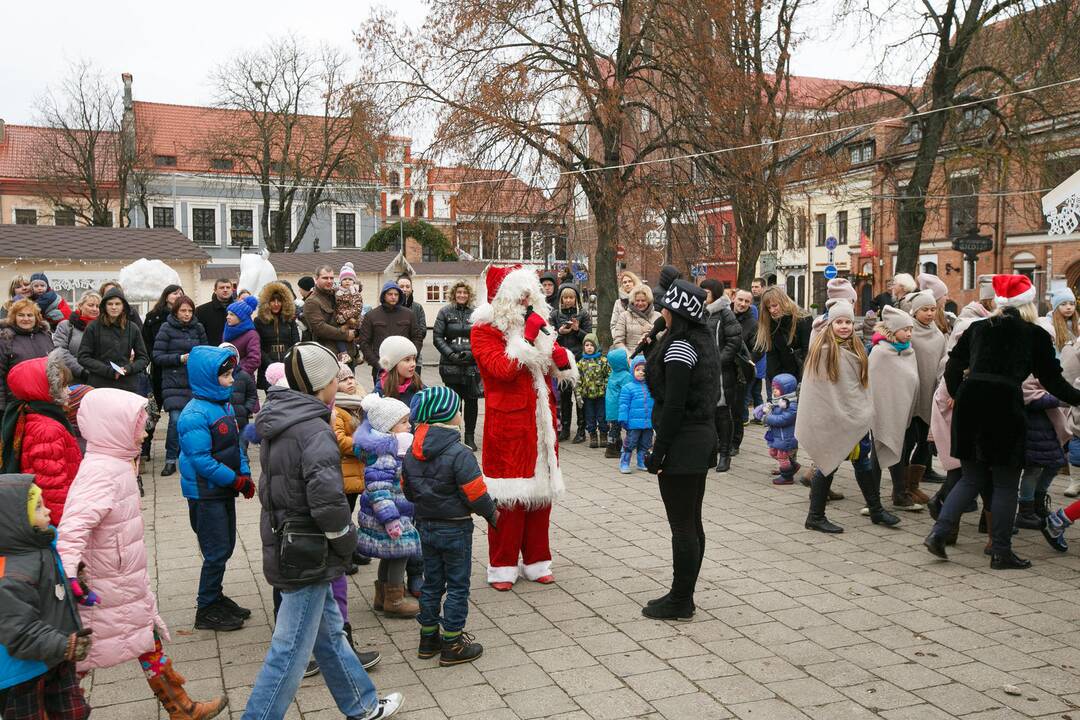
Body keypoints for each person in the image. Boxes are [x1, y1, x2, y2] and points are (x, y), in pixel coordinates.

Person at [245, 341, 403, 720]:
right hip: (307, 548)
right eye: (335, 377)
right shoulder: (314, 430)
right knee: (290, 649)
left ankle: (361, 704)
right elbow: (327, 500)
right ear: (320, 384)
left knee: (330, 633)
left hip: (289, 538)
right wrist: (345, 539)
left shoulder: (283, 417)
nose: (339, 384)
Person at [57, 388, 227, 720]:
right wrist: (69, 571)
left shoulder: (119, 461)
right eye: (138, 423)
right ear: (113, 425)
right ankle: (59, 711)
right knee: (80, 658)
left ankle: (181, 707)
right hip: (101, 586)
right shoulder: (100, 471)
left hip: (125, 577)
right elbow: (73, 527)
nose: (146, 430)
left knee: (147, 639)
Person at [924, 274, 1080, 569]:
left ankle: (939, 533)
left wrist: (960, 393)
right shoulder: (1034, 334)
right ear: (1028, 303)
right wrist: (1078, 398)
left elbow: (953, 366)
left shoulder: (978, 328)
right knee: (1006, 483)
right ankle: (1001, 552)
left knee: (971, 477)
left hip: (971, 404)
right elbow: (1052, 380)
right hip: (1005, 405)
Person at [470, 266, 575, 590]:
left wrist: (549, 341)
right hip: (509, 425)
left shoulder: (538, 325)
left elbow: (564, 368)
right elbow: (501, 369)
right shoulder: (484, 331)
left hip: (541, 425)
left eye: (530, 295)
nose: (527, 302)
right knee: (510, 501)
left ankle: (536, 562)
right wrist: (527, 338)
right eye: (520, 296)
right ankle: (502, 566)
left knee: (541, 498)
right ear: (503, 299)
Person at [401, 386, 497, 666]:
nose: (459, 413)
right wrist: (492, 514)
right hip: (456, 528)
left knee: (432, 582)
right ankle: (452, 642)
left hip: (426, 526)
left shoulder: (412, 451)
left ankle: (427, 637)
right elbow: (476, 492)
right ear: (446, 415)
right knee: (457, 586)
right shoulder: (460, 453)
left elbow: (407, 491)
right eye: (455, 409)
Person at [642, 280, 719, 620]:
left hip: (684, 441)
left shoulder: (680, 348)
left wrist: (660, 450)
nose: (661, 313)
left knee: (683, 526)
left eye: (665, 308)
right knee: (692, 522)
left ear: (677, 312)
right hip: (698, 438)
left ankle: (681, 599)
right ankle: (681, 594)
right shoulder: (696, 341)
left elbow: (674, 405)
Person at [795, 300, 900, 533]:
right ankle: (815, 516)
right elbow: (821, 392)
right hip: (831, 418)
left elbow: (858, 384)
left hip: (854, 417)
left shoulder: (857, 348)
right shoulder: (822, 352)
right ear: (830, 324)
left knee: (861, 461)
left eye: (848, 322)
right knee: (827, 462)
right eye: (839, 322)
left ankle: (876, 510)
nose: (844, 326)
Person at [0, 477, 91, 720]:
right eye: (39, 507)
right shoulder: (10, 574)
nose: (48, 509)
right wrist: (64, 645)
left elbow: (50, 592)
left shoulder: (41, 545)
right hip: (22, 671)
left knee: (73, 712)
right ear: (14, 520)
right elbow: (18, 630)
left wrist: (75, 586)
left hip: (54, 654)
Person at [178, 346, 252, 632]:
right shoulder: (193, 415)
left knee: (226, 545)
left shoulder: (224, 404)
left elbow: (236, 445)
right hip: (205, 492)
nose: (232, 380)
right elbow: (202, 461)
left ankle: (216, 596)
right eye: (226, 376)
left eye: (232, 373)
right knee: (216, 549)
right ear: (207, 378)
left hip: (222, 488)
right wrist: (235, 480)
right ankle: (206, 607)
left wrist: (244, 472)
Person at [354, 393, 421, 618]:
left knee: (389, 554)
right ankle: (395, 599)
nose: (409, 425)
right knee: (400, 553)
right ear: (388, 428)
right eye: (403, 422)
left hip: (393, 513)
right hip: (389, 516)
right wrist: (390, 518)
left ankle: (382, 596)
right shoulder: (385, 455)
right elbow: (378, 490)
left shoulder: (391, 451)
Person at [0, 351, 82, 527]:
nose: (68, 391)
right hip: (57, 522)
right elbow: (51, 489)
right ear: (46, 390)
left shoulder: (36, 416)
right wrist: (65, 529)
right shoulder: (47, 429)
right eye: (62, 386)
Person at [868, 306, 923, 511]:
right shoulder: (880, 352)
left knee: (899, 450)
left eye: (910, 329)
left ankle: (899, 494)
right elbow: (874, 384)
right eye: (904, 329)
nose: (909, 333)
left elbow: (912, 380)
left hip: (904, 411)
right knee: (879, 450)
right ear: (892, 330)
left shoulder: (909, 351)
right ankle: (872, 499)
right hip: (882, 412)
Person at [153, 295, 207, 477]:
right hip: (173, 382)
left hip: (194, 382)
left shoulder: (198, 328)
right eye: (183, 310)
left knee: (195, 421)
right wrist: (179, 358)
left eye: (190, 311)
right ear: (176, 311)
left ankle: (194, 458)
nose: (187, 314)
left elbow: (205, 351)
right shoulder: (166, 328)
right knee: (175, 420)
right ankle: (170, 460)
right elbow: (157, 357)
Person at [899, 290, 944, 505]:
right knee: (907, 443)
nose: (929, 313)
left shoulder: (938, 334)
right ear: (915, 312)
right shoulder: (909, 333)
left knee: (926, 444)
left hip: (931, 397)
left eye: (932, 309)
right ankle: (901, 489)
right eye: (925, 309)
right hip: (912, 398)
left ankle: (913, 485)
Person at [1013, 375, 1068, 530]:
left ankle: (1038, 502)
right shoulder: (1023, 373)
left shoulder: (1042, 371)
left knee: (1054, 465)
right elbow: (1030, 398)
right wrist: (1062, 398)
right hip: (1032, 433)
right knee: (1033, 470)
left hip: (1047, 432)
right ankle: (1026, 511)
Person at [432, 280, 482, 450]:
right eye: (459, 292)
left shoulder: (476, 313)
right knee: (454, 403)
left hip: (471, 365)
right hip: (450, 365)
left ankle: (470, 437)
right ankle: (455, 436)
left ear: (469, 295)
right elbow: (437, 337)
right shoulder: (445, 312)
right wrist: (451, 354)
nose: (462, 295)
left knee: (472, 402)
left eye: (465, 293)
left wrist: (473, 354)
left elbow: (482, 337)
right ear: (454, 294)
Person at [702, 279, 744, 473]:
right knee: (706, 414)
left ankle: (725, 454)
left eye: (707, 293)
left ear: (716, 294)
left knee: (722, 414)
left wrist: (718, 361)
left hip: (721, 373)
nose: (704, 296)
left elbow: (735, 341)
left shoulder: (725, 313)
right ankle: (709, 451)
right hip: (702, 372)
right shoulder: (699, 313)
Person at [331, 362, 369, 574]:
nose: (351, 382)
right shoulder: (336, 409)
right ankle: (342, 557)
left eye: (351, 377)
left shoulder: (358, 404)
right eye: (344, 379)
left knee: (349, 512)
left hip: (356, 469)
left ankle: (351, 549)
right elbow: (338, 440)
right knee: (343, 516)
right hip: (344, 471)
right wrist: (361, 443)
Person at [77, 288, 149, 393]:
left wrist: (128, 369)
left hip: (127, 384)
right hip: (99, 384)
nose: (114, 307)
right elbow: (83, 357)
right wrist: (108, 370)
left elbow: (143, 358)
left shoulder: (132, 328)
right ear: (104, 306)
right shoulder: (93, 327)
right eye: (110, 304)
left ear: (123, 306)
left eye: (117, 304)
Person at [358, 282, 423, 386]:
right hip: (381, 369)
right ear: (384, 295)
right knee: (382, 399)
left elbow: (417, 338)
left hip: (404, 368)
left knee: (405, 399)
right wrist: (377, 363)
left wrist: (411, 358)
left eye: (396, 294)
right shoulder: (372, 315)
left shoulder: (409, 314)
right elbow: (364, 343)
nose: (393, 297)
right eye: (390, 294)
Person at [550, 283, 591, 443]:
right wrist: (559, 332)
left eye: (571, 297)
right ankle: (565, 428)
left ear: (576, 299)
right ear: (561, 299)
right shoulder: (555, 315)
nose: (568, 300)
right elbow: (549, 337)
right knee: (564, 396)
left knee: (579, 395)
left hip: (579, 358)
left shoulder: (584, 314)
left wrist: (577, 329)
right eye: (565, 297)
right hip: (562, 360)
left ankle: (581, 429)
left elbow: (589, 339)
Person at [0, 299, 55, 410]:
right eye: (21, 315)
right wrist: (2, 405)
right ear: (14, 317)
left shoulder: (45, 336)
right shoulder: (5, 339)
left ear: (36, 318)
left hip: (45, 400)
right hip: (17, 403)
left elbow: (55, 368)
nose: (26, 319)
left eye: (30, 315)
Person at [754, 286, 811, 384]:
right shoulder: (769, 323)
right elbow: (771, 355)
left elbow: (808, 351)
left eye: (775, 305)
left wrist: (805, 379)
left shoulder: (803, 319)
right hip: (781, 377)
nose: (772, 310)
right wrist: (777, 381)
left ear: (783, 301)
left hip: (803, 374)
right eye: (769, 307)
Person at [143, 285, 185, 410]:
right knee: (154, 402)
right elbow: (146, 339)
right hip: (159, 365)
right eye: (175, 293)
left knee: (177, 405)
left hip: (180, 365)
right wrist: (154, 356)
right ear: (166, 297)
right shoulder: (153, 316)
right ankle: (148, 428)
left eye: (181, 294)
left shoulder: (187, 316)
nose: (178, 296)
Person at [754, 374, 800, 485]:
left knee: (782, 456)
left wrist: (767, 418)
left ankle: (787, 477)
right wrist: (763, 409)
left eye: (777, 389)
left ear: (786, 390)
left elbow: (783, 419)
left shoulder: (791, 404)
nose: (774, 391)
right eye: (773, 388)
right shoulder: (778, 401)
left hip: (787, 437)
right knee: (773, 452)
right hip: (778, 436)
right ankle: (792, 466)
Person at [255, 281, 301, 390]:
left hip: (287, 365)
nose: (276, 304)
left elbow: (296, 343)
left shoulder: (289, 320)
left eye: (279, 300)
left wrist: (287, 361)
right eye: (272, 300)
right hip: (267, 366)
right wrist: (270, 364)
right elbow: (258, 346)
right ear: (267, 302)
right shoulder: (259, 321)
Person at [53, 291, 101, 383]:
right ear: (80, 306)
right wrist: (82, 370)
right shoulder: (66, 326)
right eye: (91, 305)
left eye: (98, 306)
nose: (95, 309)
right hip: (72, 380)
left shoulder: (104, 328)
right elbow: (59, 351)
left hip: (99, 380)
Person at [618, 356, 653, 473]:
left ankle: (641, 461)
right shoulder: (628, 388)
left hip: (648, 422)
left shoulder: (651, 387)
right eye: (638, 370)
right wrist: (623, 418)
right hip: (633, 423)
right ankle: (624, 462)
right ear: (632, 370)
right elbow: (623, 405)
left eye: (644, 370)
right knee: (630, 443)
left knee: (646, 443)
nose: (641, 373)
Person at [732, 289, 763, 428]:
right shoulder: (725, 316)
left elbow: (759, 347)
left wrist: (747, 362)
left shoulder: (753, 323)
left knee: (739, 408)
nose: (743, 304)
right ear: (733, 298)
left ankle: (735, 443)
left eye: (747, 301)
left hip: (740, 373)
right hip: (722, 368)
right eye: (740, 300)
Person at [577, 333, 611, 449]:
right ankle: (592, 435)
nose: (589, 347)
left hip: (601, 395)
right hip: (587, 396)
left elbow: (608, 375)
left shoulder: (602, 361)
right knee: (590, 417)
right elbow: (578, 380)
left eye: (592, 345)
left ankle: (603, 434)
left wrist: (607, 387)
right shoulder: (581, 363)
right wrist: (578, 395)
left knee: (602, 416)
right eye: (587, 345)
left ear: (596, 346)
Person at [220, 342, 258, 437]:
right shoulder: (217, 377)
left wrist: (246, 409)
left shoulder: (244, 376)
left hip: (241, 421)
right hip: (222, 421)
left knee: (242, 448)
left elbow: (252, 394)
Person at [375, 336, 423, 407]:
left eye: (414, 359)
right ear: (393, 364)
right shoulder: (379, 392)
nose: (413, 364)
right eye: (407, 360)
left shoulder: (418, 385)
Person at [612, 284, 660, 351]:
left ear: (648, 301)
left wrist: (652, 330)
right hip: (631, 356)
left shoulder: (658, 316)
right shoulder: (624, 316)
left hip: (653, 357)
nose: (640, 303)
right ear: (633, 301)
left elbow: (665, 338)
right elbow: (618, 341)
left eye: (643, 300)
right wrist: (628, 355)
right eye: (637, 300)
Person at [604, 347, 632, 459]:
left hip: (611, 407)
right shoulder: (626, 375)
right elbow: (628, 391)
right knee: (616, 429)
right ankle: (610, 449)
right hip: (619, 407)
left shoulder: (614, 373)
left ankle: (616, 445)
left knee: (615, 427)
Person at [223, 297, 261, 378]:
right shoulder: (228, 330)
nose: (227, 317)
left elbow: (254, 360)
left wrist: (238, 373)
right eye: (228, 314)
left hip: (242, 379)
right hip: (225, 378)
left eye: (232, 314)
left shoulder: (252, 334)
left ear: (241, 317)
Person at [397, 274, 427, 371]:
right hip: (396, 354)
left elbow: (422, 331)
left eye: (407, 286)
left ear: (411, 289)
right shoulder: (391, 308)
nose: (404, 289)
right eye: (401, 286)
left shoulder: (417, 308)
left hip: (414, 355)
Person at [1037, 287, 1078, 354]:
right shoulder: (1048, 325)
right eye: (1063, 304)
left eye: (1072, 304)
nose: (1069, 307)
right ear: (1056, 307)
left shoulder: (1077, 325)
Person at [196, 279, 235, 347]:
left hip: (235, 353)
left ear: (232, 290)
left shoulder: (239, 310)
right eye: (221, 287)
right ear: (215, 291)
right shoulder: (201, 311)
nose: (225, 290)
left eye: (228, 287)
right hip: (211, 353)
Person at [609, 270, 643, 336]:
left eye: (630, 281)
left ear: (634, 282)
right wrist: (617, 338)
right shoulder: (618, 303)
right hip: (622, 339)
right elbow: (613, 324)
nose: (627, 284)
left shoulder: (641, 300)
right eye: (624, 282)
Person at [295, 275, 315, 340]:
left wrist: (299, 314)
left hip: (312, 338)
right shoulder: (305, 300)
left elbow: (309, 321)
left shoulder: (311, 301)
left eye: (300, 288)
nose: (299, 290)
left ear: (305, 288)